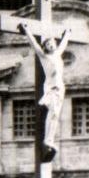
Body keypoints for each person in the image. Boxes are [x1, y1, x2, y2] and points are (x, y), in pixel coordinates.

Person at [20, 22, 70, 162]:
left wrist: (68, 34)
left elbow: (63, 44)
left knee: (55, 115)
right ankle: (48, 141)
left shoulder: (58, 54)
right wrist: (27, 31)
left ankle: (49, 140)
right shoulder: (44, 57)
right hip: (52, 89)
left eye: (52, 43)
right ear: (45, 48)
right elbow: (35, 45)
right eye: (48, 45)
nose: (51, 46)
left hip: (60, 90)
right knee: (53, 113)